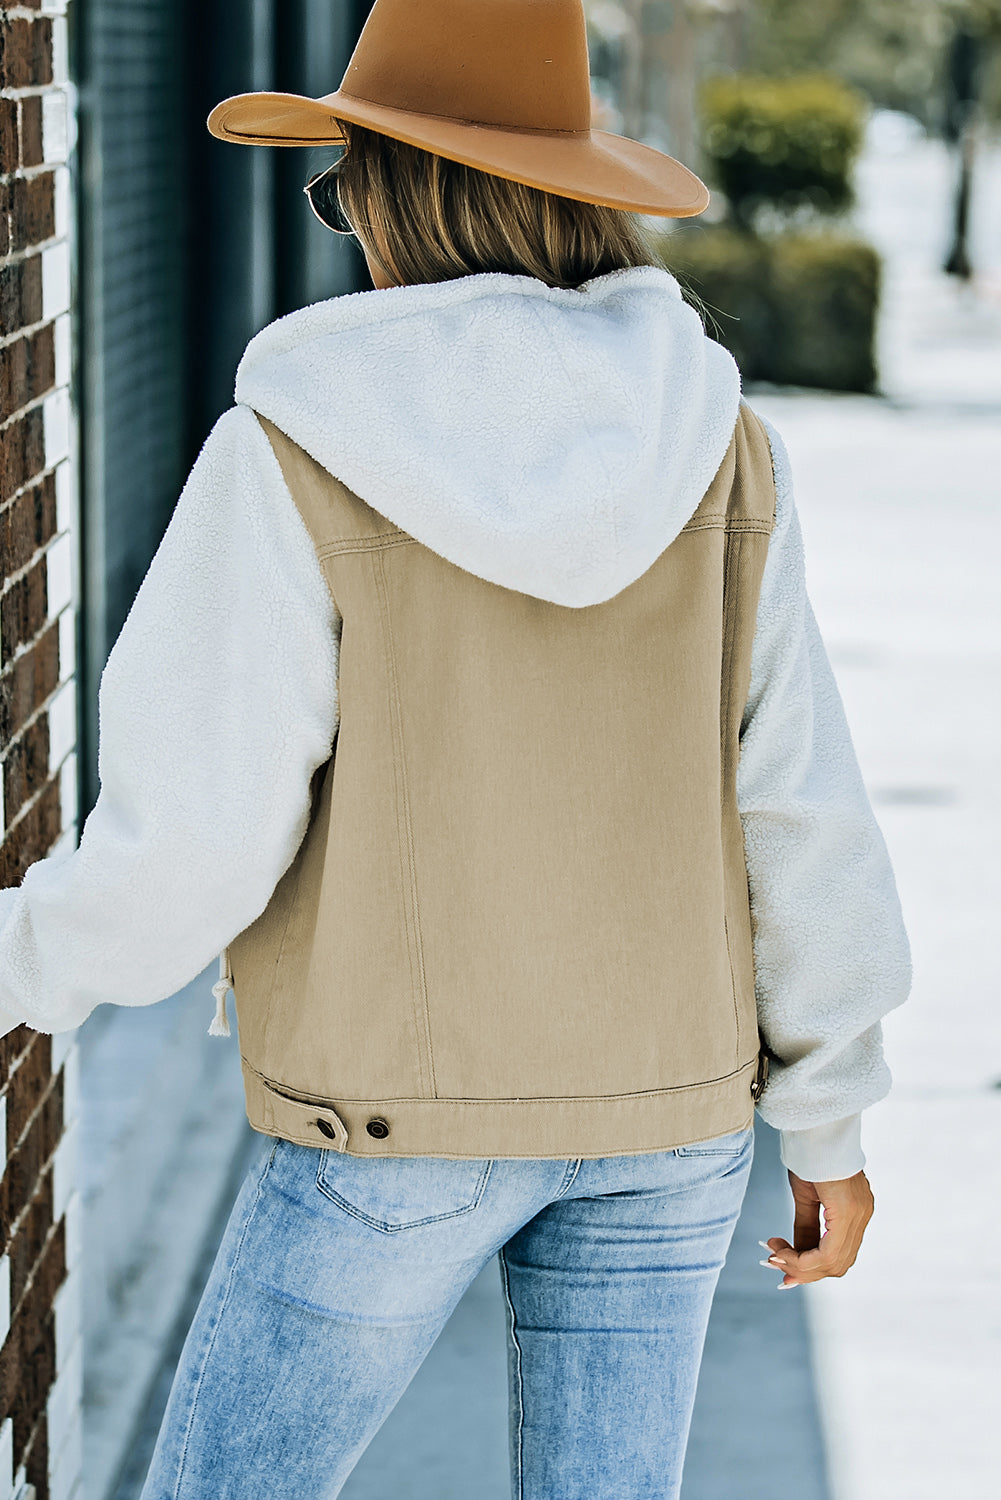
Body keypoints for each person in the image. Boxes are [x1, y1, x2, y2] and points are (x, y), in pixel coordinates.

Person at [0, 1, 911, 1495]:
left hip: (389, 1125)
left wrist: (26, 962)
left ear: (395, 191)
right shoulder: (723, 444)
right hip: (668, 1118)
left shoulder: (295, 441)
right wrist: (829, 1122)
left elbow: (199, 842)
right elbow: (796, 807)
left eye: (343, 184)